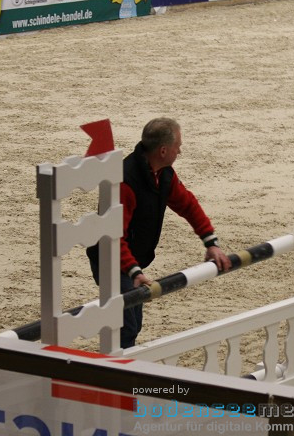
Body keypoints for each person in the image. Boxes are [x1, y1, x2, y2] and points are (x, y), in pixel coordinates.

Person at [87, 117, 231, 348]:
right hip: (110, 258)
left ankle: (122, 366)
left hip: (131, 258)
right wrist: (134, 271)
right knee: (127, 326)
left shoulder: (163, 174)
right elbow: (114, 238)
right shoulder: (125, 183)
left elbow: (188, 205)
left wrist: (210, 242)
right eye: (178, 146)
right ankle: (115, 375)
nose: (180, 151)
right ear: (163, 150)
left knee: (134, 322)